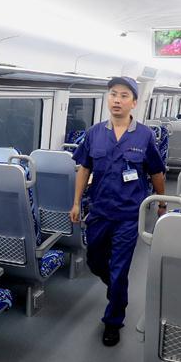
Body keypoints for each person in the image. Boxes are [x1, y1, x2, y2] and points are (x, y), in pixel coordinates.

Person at [69, 76, 166, 346]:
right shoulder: (94, 133)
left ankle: (113, 321)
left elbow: (156, 172)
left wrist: (161, 203)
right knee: (95, 261)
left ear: (134, 102)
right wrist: (76, 202)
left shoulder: (144, 135)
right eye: (113, 94)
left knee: (120, 269)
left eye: (124, 95)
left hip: (128, 214)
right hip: (99, 211)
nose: (117, 100)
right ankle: (115, 289)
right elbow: (84, 168)